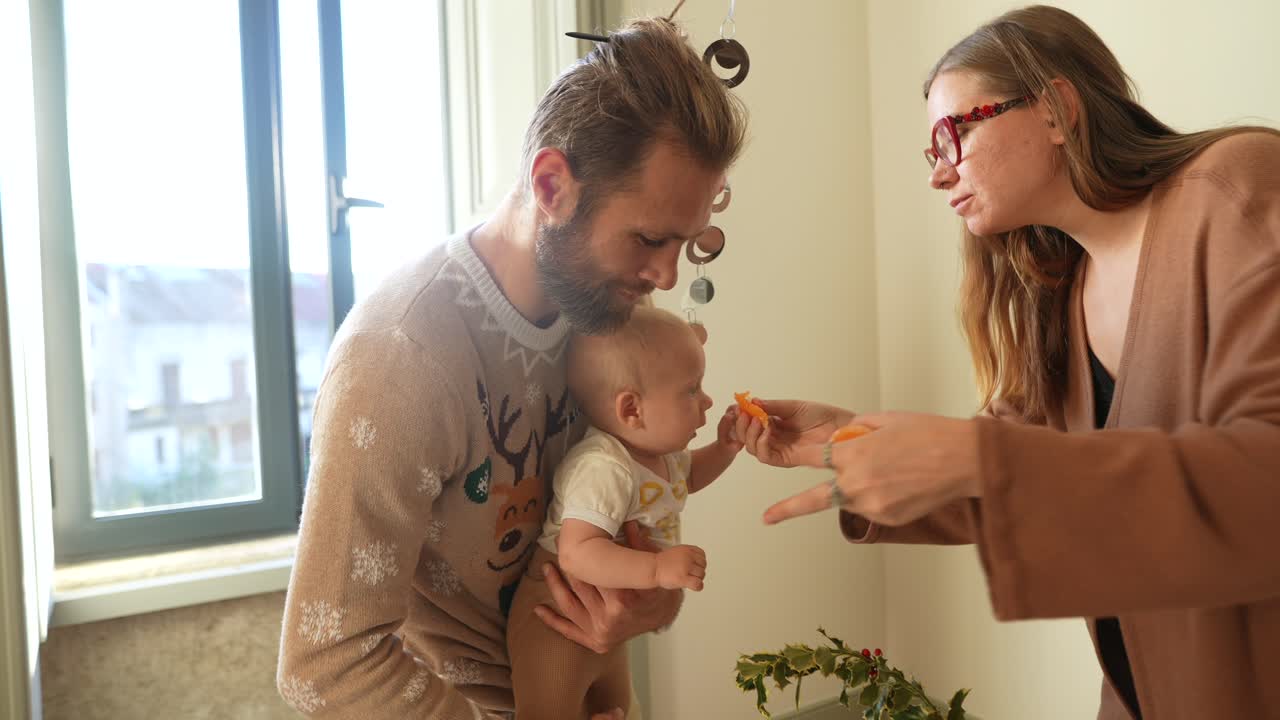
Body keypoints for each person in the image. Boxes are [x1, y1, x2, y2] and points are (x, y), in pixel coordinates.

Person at [730, 6, 1280, 720]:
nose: (938, 174)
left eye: (951, 134)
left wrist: (981, 457)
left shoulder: (1238, 186)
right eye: (931, 152)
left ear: (1056, 109)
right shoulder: (1063, 291)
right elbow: (1012, 472)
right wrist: (853, 442)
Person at [276, 16, 747, 719]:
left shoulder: (600, 320)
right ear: (552, 185)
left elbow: (639, 515)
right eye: (649, 239)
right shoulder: (400, 355)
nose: (665, 275)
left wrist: (645, 606)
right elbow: (325, 661)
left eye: (686, 244)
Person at [506, 306, 741, 719]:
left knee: (616, 711)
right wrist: (657, 569)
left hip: (607, 625)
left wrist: (725, 448)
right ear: (632, 409)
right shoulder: (604, 466)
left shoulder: (661, 457)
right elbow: (576, 553)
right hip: (556, 617)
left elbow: (688, 478)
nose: (707, 400)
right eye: (692, 389)